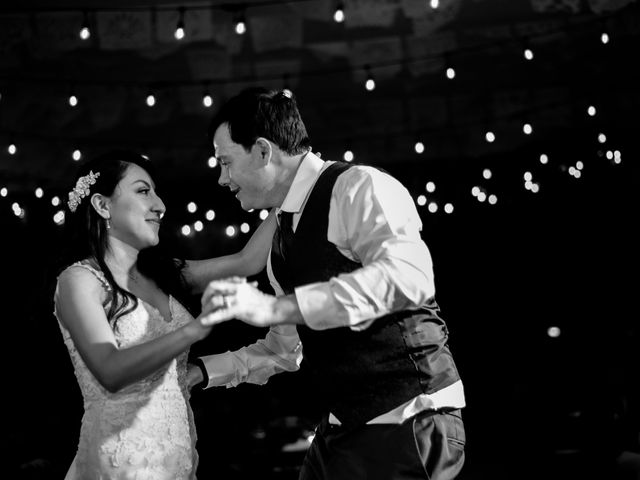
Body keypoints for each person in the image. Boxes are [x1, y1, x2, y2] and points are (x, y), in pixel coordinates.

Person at [196, 87, 467, 480]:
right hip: (340, 430)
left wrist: (274, 307)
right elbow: (283, 350)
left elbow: (408, 278)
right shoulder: (278, 237)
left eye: (225, 162)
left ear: (262, 151)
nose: (221, 178)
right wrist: (201, 372)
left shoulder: (358, 186)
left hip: (408, 419)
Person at [53, 149, 300, 479]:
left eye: (156, 192)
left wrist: (294, 188)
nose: (160, 205)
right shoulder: (79, 281)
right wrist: (195, 330)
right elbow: (109, 371)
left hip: (177, 459)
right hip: (118, 466)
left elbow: (246, 261)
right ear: (102, 205)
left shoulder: (164, 272)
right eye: (143, 191)